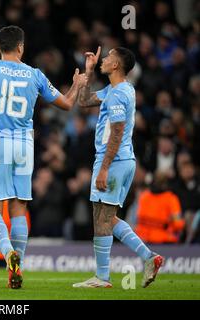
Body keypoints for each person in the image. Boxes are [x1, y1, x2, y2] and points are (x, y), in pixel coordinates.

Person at [0, 25, 86, 289]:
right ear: (21, 47)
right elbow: (67, 104)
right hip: (25, 145)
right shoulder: (35, 74)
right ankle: (18, 268)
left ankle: (8, 254)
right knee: (18, 209)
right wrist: (76, 84)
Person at [73, 46, 164, 289]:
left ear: (116, 66)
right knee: (107, 218)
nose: (103, 59)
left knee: (102, 220)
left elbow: (117, 132)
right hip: (119, 161)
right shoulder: (116, 90)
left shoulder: (117, 94)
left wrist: (104, 169)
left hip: (113, 162)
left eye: (108, 57)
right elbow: (83, 101)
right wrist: (88, 72)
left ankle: (102, 277)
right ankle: (149, 257)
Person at [135, 171, 185, 244]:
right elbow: (178, 224)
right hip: (164, 241)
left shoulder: (144, 196)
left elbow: (138, 219)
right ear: (165, 184)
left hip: (142, 240)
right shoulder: (171, 198)